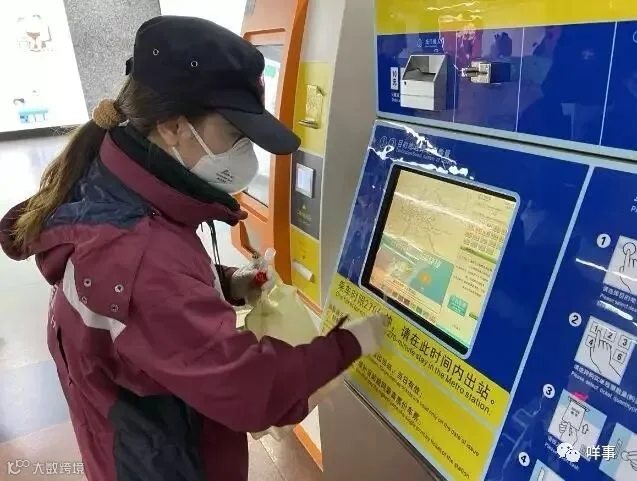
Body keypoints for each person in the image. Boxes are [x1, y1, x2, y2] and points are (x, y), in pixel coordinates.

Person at [0, 16, 386, 481]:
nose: (246, 154)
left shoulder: (106, 186)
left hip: (130, 446)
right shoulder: (139, 256)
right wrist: (352, 342)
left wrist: (224, 283)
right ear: (172, 127)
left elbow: (145, 311)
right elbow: (251, 390)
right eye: (235, 134)